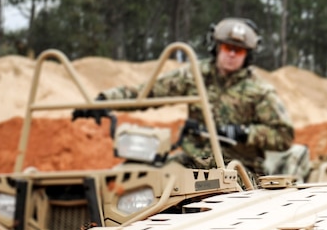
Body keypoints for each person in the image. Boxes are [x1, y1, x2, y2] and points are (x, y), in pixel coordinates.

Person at [76, 17, 294, 176]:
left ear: (248, 56)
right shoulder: (194, 75)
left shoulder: (260, 91)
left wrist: (243, 133)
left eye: (239, 50)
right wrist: (104, 101)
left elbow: (283, 136)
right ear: (216, 47)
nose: (231, 54)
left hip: (241, 169)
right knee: (140, 182)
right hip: (192, 163)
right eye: (227, 47)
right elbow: (148, 91)